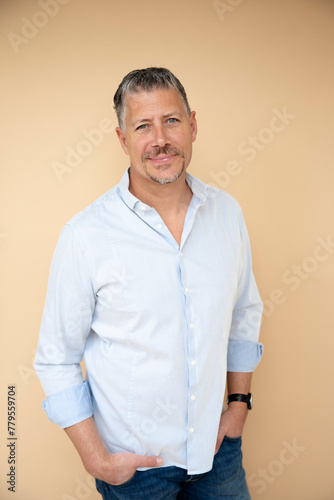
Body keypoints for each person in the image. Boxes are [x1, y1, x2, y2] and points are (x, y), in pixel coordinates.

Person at [34, 67, 263, 500]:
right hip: (136, 470)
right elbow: (55, 359)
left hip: (219, 455)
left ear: (192, 125)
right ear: (123, 140)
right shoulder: (85, 235)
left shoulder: (227, 213)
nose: (160, 139)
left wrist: (238, 406)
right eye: (143, 126)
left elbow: (244, 314)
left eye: (171, 121)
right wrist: (97, 460)